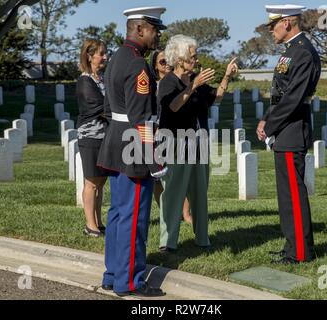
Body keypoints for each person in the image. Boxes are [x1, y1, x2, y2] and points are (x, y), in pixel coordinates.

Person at [96, 6, 167, 297]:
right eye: (154, 29)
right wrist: (153, 159)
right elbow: (141, 120)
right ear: (139, 29)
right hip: (134, 147)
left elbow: (108, 110)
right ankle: (131, 281)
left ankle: (112, 274)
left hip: (115, 141)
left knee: (117, 214)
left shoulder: (116, 57)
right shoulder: (138, 65)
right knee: (134, 216)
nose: (157, 35)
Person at [157, 34, 238, 252]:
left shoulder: (196, 80)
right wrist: (192, 86)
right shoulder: (168, 82)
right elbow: (172, 106)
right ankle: (168, 242)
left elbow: (216, 98)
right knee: (173, 193)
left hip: (199, 142)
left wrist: (226, 77)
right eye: (192, 56)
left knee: (200, 193)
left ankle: (203, 238)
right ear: (180, 58)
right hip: (175, 143)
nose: (196, 60)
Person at [256, 4, 321, 264]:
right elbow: (280, 93)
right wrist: (267, 119)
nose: (270, 30)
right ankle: (292, 245)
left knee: (294, 193)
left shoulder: (304, 52)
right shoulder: (291, 51)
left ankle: (301, 252)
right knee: (286, 194)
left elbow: (293, 98)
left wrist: (271, 125)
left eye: (273, 25)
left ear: (288, 22)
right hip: (285, 129)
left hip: (292, 129)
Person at [149, 50, 193, 225]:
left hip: (178, 131)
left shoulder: (178, 81)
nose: (167, 64)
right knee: (160, 178)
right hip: (157, 131)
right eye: (162, 62)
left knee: (182, 175)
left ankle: (185, 213)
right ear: (155, 65)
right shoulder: (151, 85)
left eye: (169, 60)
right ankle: (166, 212)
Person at [76, 39, 110, 238]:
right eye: (101, 54)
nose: (105, 57)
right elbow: (102, 107)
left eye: (105, 53)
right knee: (91, 182)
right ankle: (90, 225)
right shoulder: (85, 81)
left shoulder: (102, 79)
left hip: (104, 135)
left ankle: (98, 221)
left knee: (101, 181)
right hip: (90, 136)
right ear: (89, 56)